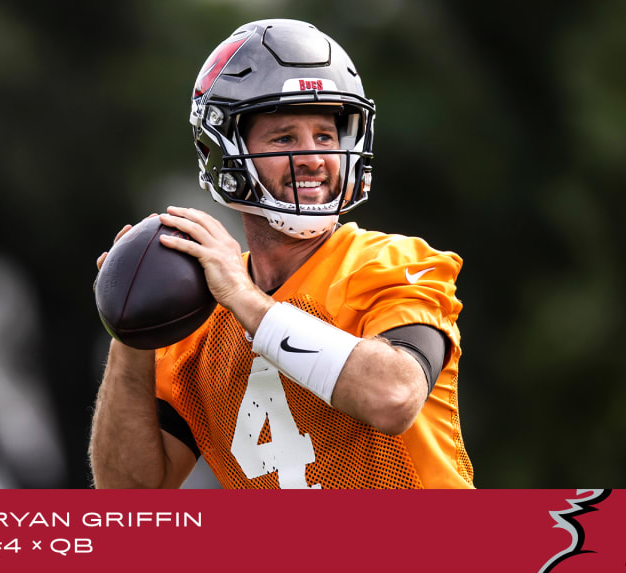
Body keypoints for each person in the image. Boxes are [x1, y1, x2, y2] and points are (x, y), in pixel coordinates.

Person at [89, 19, 473, 489]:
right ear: (225, 148)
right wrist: (129, 331)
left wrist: (244, 297)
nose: (313, 157)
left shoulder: (391, 263)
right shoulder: (196, 326)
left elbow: (393, 395)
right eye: (285, 138)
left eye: (326, 136)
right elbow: (128, 496)